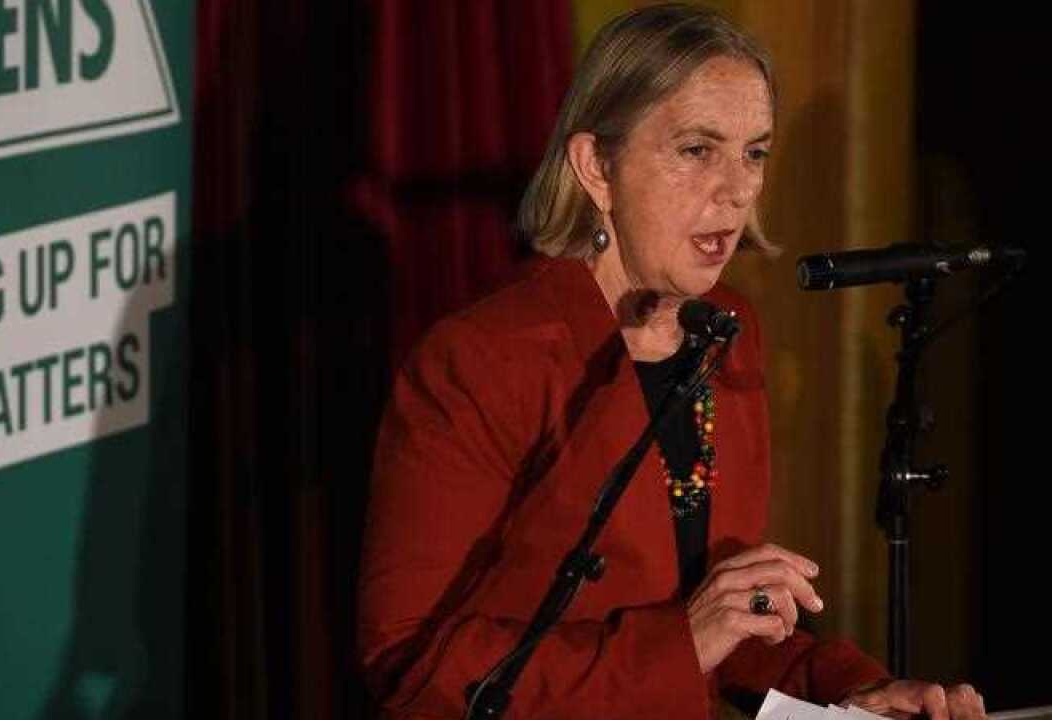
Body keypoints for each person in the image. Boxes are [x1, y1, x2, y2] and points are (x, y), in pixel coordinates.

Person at [357, 5, 986, 719]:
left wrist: (853, 691)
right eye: (696, 150)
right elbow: (410, 668)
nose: (740, 188)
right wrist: (682, 641)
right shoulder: (478, 362)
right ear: (597, 166)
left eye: (754, 152)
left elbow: (727, 623)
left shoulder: (728, 331)